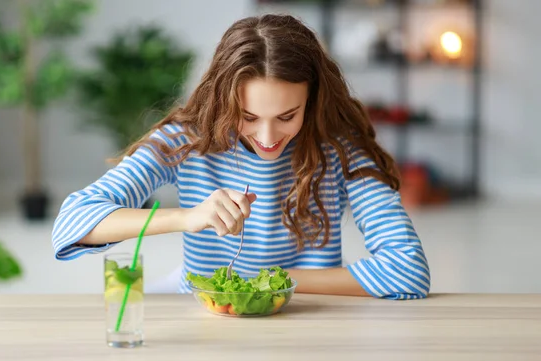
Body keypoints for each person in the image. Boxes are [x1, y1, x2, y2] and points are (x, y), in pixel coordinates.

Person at [51, 14, 430, 299]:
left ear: (311, 99)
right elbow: (72, 223)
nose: (268, 138)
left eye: (287, 117)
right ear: (224, 99)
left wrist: (267, 283)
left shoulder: (342, 148)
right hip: (198, 308)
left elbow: (408, 270)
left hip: (307, 314)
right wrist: (187, 217)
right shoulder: (186, 141)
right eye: (248, 117)